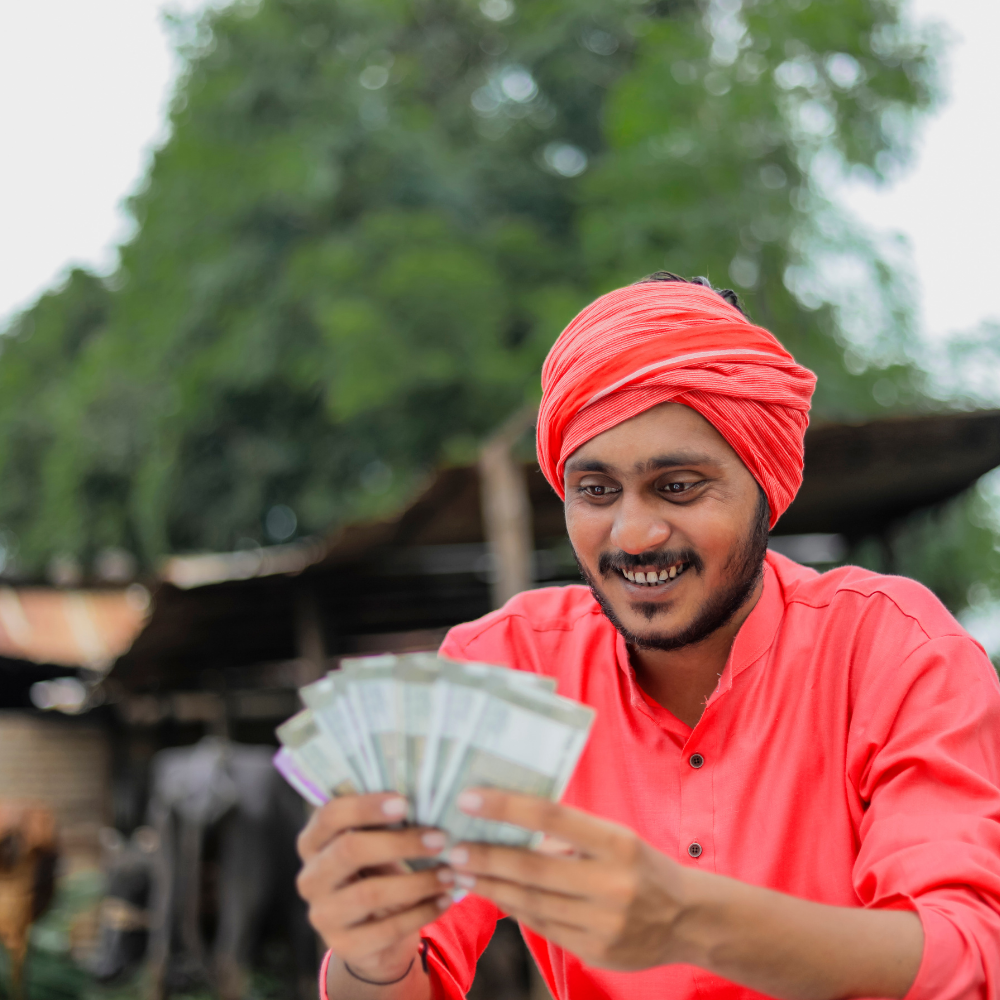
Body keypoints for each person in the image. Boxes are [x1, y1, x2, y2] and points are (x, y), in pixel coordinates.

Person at [295, 273, 1000, 1000]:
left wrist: (688, 919)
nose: (633, 536)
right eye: (596, 492)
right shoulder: (504, 668)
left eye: (679, 486)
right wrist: (371, 957)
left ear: (766, 484)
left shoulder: (892, 648)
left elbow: (966, 958)